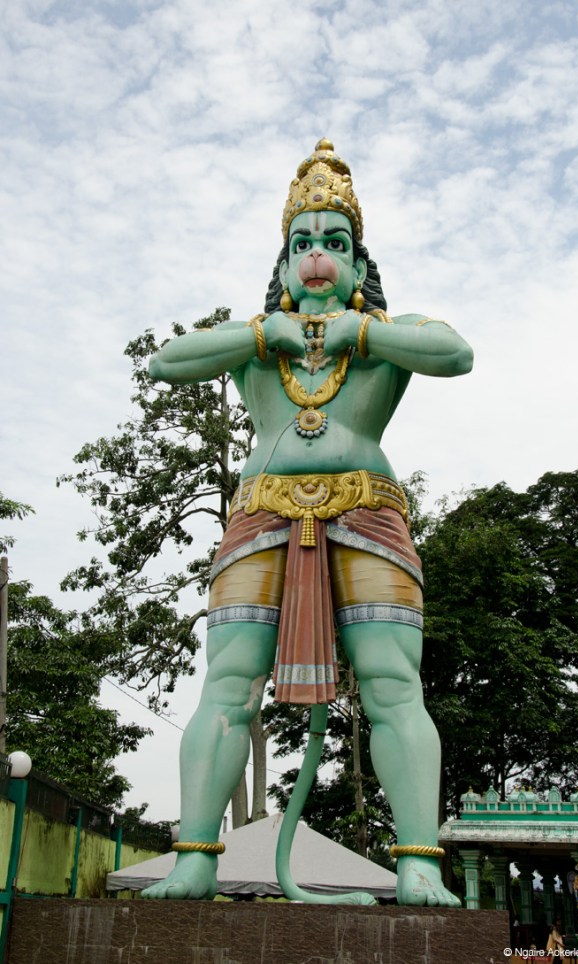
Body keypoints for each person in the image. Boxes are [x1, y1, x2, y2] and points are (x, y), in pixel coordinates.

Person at [143, 139, 473, 905]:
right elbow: (166, 361)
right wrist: (265, 334)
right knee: (228, 683)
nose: (317, 256)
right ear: (283, 265)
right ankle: (195, 857)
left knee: (392, 683)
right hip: (261, 515)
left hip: (367, 512)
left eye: (335, 243)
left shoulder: (386, 339)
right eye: (301, 244)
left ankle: (418, 860)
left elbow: (455, 354)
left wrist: (360, 333)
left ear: (359, 267)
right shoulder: (255, 346)